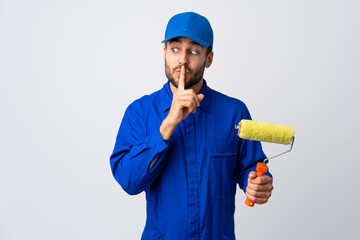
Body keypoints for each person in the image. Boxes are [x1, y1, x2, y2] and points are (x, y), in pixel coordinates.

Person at [110, 12, 274, 240]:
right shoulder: (140, 112)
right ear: (164, 52)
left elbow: (250, 167)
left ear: (209, 58)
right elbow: (129, 181)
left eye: (194, 51)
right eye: (175, 49)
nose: (182, 60)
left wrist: (255, 183)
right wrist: (168, 125)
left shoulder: (234, 113)